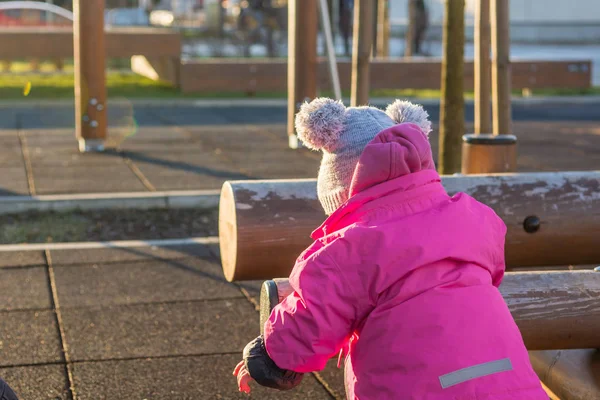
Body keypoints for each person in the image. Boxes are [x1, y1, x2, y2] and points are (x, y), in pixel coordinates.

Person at [233, 98, 548, 399]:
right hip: (510, 380)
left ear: (343, 197)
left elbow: (311, 318)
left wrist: (267, 359)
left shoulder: (352, 248)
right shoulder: (471, 220)